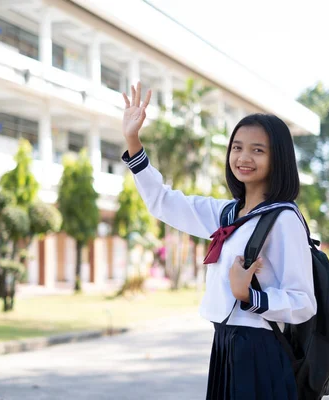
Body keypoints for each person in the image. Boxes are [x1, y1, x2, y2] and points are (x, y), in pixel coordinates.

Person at [121, 82, 316, 400]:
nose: (244, 157)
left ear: (277, 157)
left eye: (258, 150)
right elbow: (163, 201)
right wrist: (133, 140)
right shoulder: (227, 213)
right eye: (237, 147)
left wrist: (250, 296)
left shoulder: (284, 220)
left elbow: (303, 302)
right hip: (225, 345)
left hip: (260, 351)